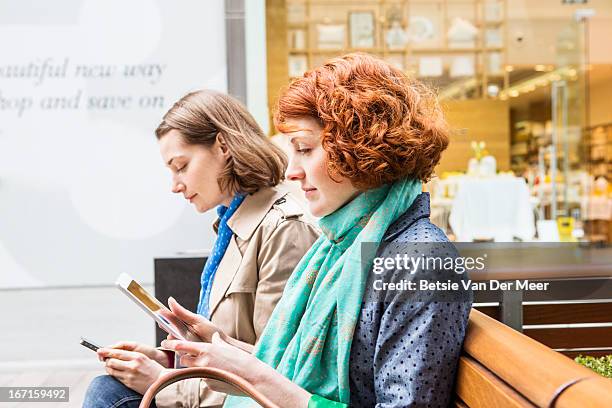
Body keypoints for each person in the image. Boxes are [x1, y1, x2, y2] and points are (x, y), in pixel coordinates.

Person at [159, 53, 473, 407]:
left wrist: (252, 375)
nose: (291, 170)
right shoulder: (341, 245)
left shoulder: (420, 260)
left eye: (304, 149)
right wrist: (224, 347)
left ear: (359, 147)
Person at [82, 89, 320, 408]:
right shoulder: (233, 223)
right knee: (109, 388)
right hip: (222, 393)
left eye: (181, 166)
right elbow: (233, 349)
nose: (175, 185)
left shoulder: (283, 229)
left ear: (222, 146)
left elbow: (276, 371)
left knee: (107, 394)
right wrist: (168, 362)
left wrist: (162, 383)